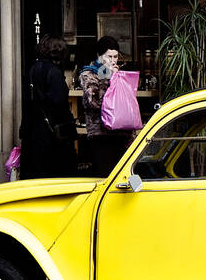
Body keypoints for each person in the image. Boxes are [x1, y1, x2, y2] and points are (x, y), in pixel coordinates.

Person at [19, 35, 77, 179]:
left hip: (34, 129)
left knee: (36, 176)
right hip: (52, 133)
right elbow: (59, 102)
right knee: (55, 175)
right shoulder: (53, 72)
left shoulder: (33, 69)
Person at [79, 37, 134, 178]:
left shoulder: (119, 73)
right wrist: (107, 78)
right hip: (101, 134)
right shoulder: (88, 74)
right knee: (105, 176)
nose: (113, 60)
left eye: (115, 56)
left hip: (122, 133)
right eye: (109, 56)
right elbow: (94, 101)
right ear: (99, 56)